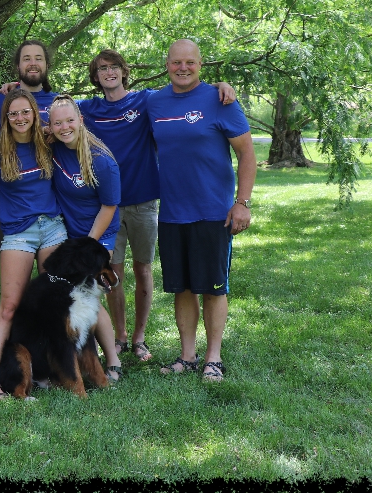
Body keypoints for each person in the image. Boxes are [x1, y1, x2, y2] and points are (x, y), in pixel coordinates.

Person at [78, 49, 236, 362]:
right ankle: (120, 336)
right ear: (95, 77)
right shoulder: (87, 109)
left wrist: (221, 85)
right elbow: (53, 112)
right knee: (112, 271)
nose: (109, 73)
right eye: (102, 69)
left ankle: (139, 338)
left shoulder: (146, 101)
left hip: (145, 201)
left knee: (143, 269)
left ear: (124, 71)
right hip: (107, 205)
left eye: (115, 67)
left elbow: (185, 92)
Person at [147, 39, 255, 382]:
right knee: (182, 288)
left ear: (200, 64)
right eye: (177, 62)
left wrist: (242, 203)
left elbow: (248, 155)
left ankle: (213, 358)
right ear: (167, 64)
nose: (183, 68)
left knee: (212, 287)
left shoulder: (219, 99)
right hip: (172, 212)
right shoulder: (154, 101)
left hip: (213, 212)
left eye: (190, 62)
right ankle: (188, 356)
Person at [0, 90, 65, 399]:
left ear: (34, 113)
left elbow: (74, 126)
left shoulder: (47, 142)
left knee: (56, 305)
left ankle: (57, 372)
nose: (19, 118)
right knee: (9, 307)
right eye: (12, 113)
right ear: (6, 117)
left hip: (53, 227)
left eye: (24, 112)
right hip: (18, 232)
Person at [46, 94, 123, 381]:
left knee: (91, 297)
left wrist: (88, 245)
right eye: (57, 123)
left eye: (69, 120)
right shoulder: (55, 148)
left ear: (81, 120)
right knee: (72, 296)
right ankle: (76, 355)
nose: (64, 127)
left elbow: (109, 206)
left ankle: (112, 362)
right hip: (69, 234)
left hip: (96, 236)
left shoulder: (102, 161)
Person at [0, 40, 57, 129]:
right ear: (18, 66)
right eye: (27, 59)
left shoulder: (59, 103)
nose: (33, 63)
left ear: (47, 65)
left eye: (38, 59)